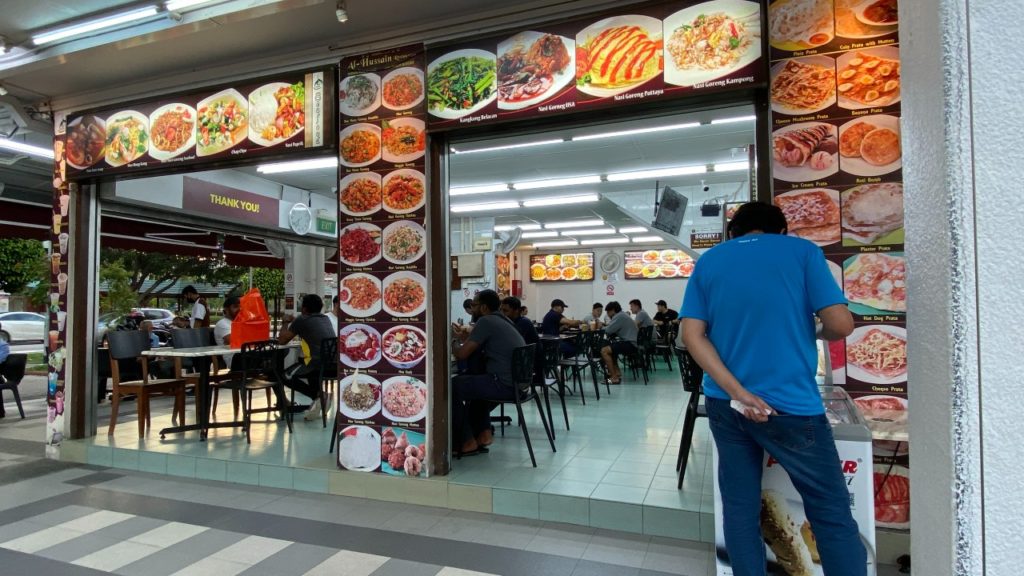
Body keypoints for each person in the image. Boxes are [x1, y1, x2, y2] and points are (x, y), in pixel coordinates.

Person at [680, 201, 863, 576]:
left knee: (740, 508)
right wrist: (814, 328)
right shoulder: (802, 252)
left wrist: (738, 392)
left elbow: (692, 336)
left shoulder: (710, 260)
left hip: (726, 405)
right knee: (829, 512)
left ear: (733, 234)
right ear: (781, 230)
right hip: (791, 406)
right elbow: (841, 324)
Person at [452, 290, 526, 455]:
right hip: (519, 384)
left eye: (474, 305)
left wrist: (453, 340)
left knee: (453, 386)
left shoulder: (485, 321)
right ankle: (484, 434)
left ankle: (466, 441)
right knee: (476, 382)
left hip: (504, 384)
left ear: (484, 307)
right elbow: (476, 345)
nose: (472, 309)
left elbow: (462, 354)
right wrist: (465, 340)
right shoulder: (504, 320)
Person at [279, 294, 336, 420]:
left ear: (304, 309)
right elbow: (309, 326)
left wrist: (284, 323)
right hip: (333, 365)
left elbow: (282, 341)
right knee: (306, 364)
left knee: (284, 376)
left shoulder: (302, 320)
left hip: (316, 364)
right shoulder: (325, 318)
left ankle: (319, 396)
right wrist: (295, 321)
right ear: (321, 307)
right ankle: (318, 398)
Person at [600, 301, 637, 385]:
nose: (608, 314)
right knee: (612, 349)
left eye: (608, 312)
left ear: (613, 310)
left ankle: (614, 378)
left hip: (630, 344)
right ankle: (617, 373)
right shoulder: (622, 315)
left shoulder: (619, 316)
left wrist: (601, 327)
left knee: (604, 351)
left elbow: (608, 330)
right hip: (632, 343)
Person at [213, 296, 241, 370]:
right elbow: (234, 341)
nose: (239, 309)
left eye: (240, 307)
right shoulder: (222, 323)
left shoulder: (239, 323)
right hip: (235, 359)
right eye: (235, 307)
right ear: (226, 310)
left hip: (245, 355)